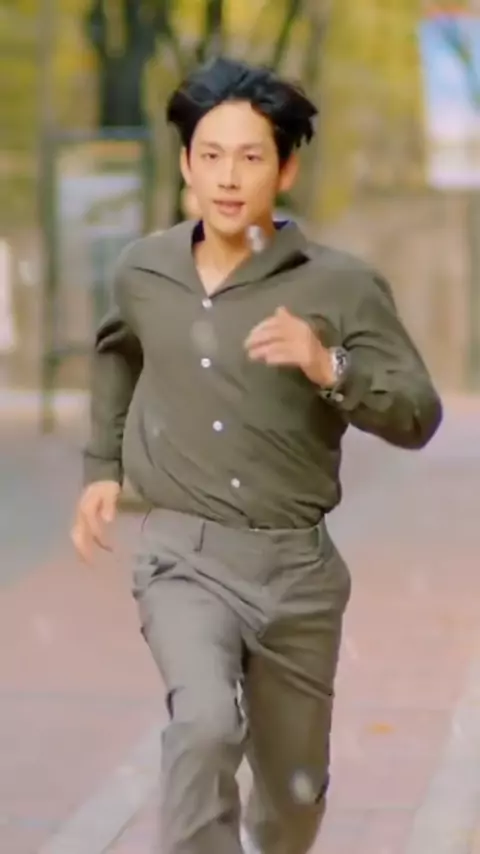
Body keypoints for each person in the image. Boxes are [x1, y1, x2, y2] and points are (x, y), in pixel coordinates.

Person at [71, 57, 442, 854]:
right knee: (203, 726)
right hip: (183, 553)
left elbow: (418, 414)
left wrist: (327, 365)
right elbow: (117, 351)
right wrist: (102, 468)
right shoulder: (145, 271)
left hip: (295, 570)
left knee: (293, 798)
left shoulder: (341, 286)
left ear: (286, 168)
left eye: (250, 157)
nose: (229, 178)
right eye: (211, 155)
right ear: (185, 164)